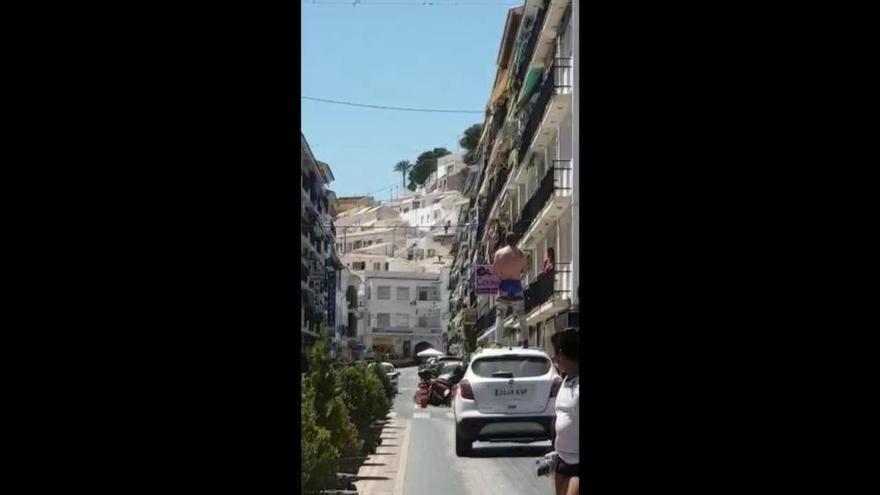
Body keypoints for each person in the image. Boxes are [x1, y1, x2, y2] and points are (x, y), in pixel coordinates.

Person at [551, 328, 579, 495]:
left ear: (562, 354)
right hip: (562, 458)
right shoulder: (565, 380)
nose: (554, 358)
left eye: (555, 353)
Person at [492, 232, 529, 346]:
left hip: (504, 286)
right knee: (521, 315)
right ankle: (525, 340)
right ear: (516, 241)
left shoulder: (499, 254)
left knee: (500, 316)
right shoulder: (521, 254)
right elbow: (525, 271)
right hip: (517, 286)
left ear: (506, 241)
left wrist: (502, 277)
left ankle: (498, 342)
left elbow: (495, 271)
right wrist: (519, 277)